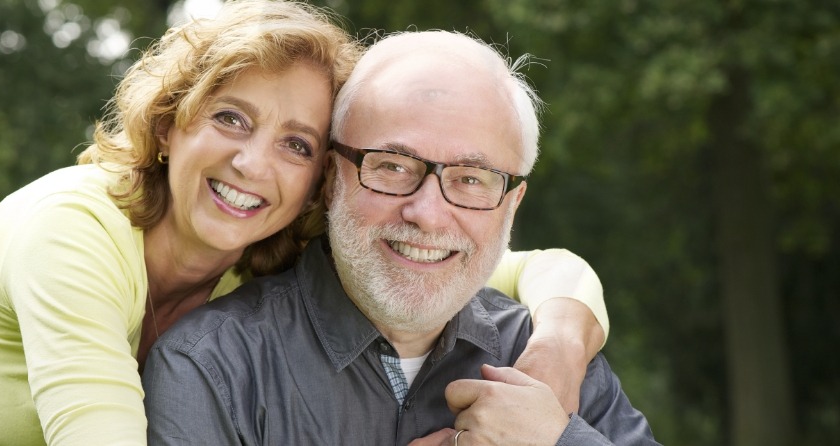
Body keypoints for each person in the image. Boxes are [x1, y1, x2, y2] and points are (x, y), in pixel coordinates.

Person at [0, 1, 604, 445]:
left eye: (295, 144)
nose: (252, 165)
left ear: (320, 176)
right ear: (171, 125)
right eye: (230, 118)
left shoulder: (267, 245)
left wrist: (558, 353)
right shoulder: (71, 230)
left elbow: (523, 265)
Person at [143, 30, 657, 445]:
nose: (428, 215)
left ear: (510, 205)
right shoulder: (212, 367)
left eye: (471, 179)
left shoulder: (549, 359)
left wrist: (560, 441)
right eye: (391, 166)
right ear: (329, 178)